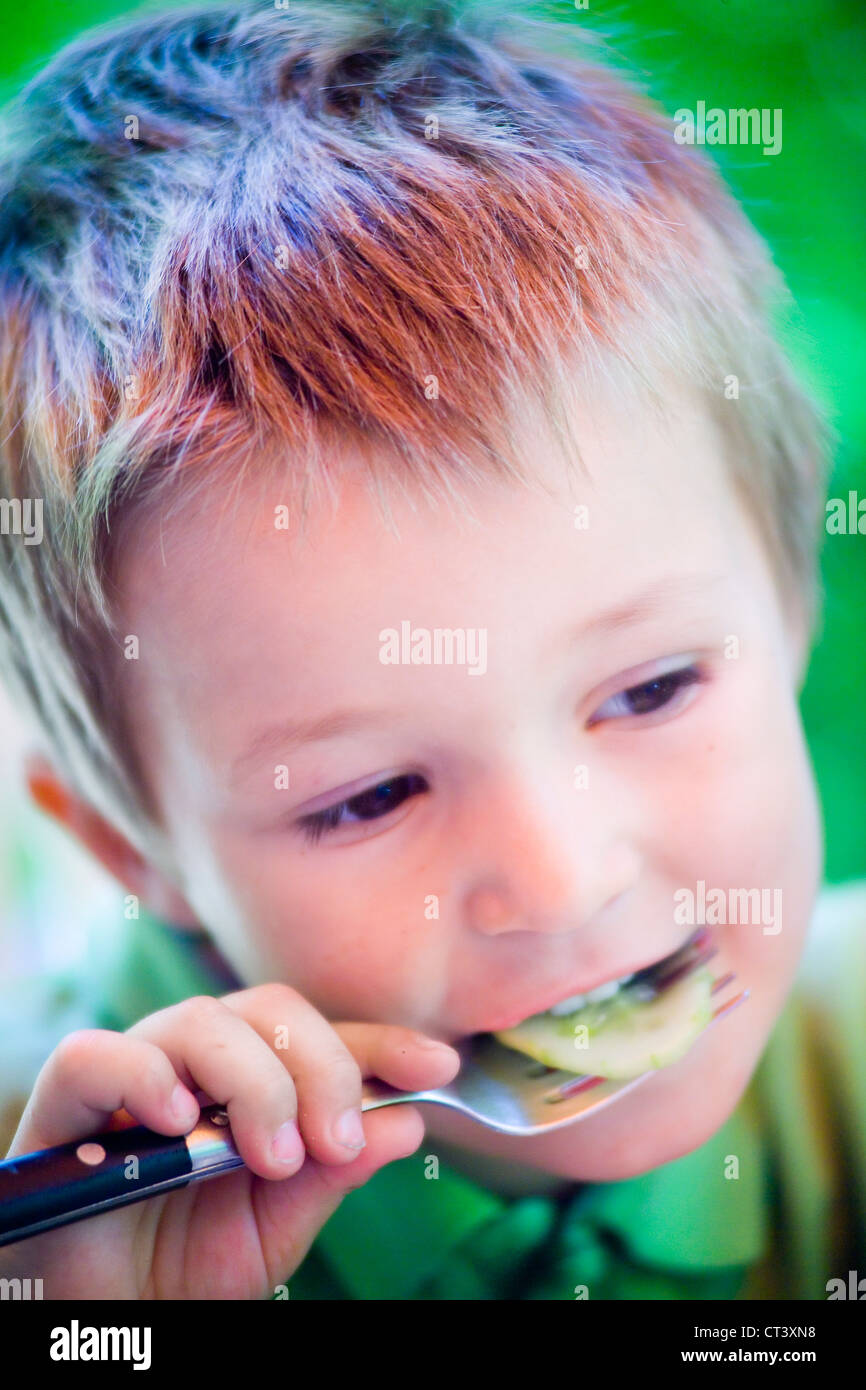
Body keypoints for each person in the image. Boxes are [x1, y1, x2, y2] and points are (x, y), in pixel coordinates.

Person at [0, 0, 861, 1299]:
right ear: (135, 848)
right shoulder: (54, 1227)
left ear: (789, 603)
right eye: (367, 795)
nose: (563, 881)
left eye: (650, 687)